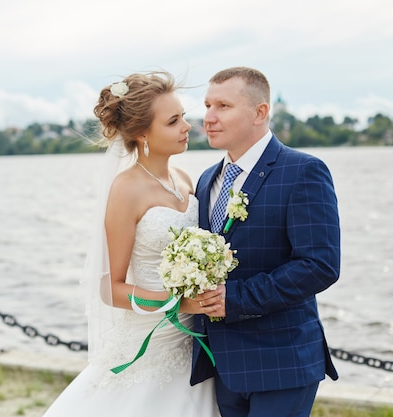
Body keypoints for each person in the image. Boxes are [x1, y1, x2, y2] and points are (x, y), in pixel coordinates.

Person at [42, 71, 221, 416]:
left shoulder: (184, 179)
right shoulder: (126, 188)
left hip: (193, 344)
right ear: (142, 134)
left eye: (183, 116)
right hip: (150, 341)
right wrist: (178, 302)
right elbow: (111, 288)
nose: (187, 126)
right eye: (173, 121)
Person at [191, 66, 341, 417]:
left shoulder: (303, 171)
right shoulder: (205, 180)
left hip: (281, 360)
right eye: (207, 105)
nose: (208, 118)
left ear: (260, 112)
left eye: (223, 106)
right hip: (222, 365)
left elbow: (320, 265)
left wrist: (236, 298)